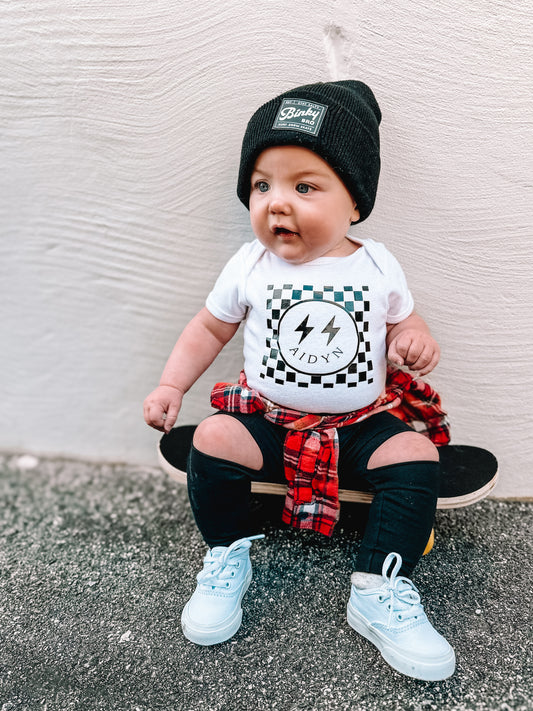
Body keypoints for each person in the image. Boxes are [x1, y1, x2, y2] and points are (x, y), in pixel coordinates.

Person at [143, 80, 455, 681]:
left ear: (355, 203)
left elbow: (404, 320)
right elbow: (207, 331)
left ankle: (379, 586)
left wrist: (414, 339)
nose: (276, 203)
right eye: (262, 185)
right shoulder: (250, 265)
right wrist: (170, 386)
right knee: (212, 438)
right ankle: (227, 552)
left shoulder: (377, 262)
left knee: (415, 453)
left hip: (357, 426)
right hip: (271, 421)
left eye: (304, 186)